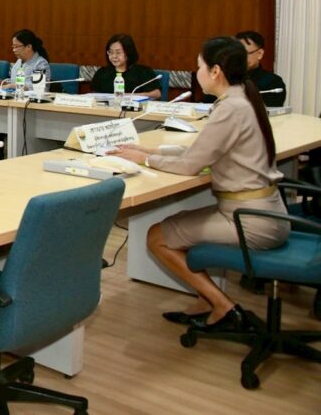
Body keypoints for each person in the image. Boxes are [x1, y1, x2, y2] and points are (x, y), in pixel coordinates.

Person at [109, 37, 288, 331]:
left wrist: (145, 160)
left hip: (250, 219)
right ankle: (208, 301)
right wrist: (148, 150)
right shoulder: (241, 97)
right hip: (264, 210)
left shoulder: (230, 108)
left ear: (215, 71)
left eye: (199, 66)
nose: (197, 73)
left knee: (157, 237)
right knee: (177, 223)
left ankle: (223, 306)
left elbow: (190, 165)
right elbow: (202, 151)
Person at [90, 33, 162, 100]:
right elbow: (94, 94)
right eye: (111, 52)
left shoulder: (143, 72)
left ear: (128, 52)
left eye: (118, 52)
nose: (114, 56)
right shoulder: (102, 72)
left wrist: (129, 96)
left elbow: (157, 94)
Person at [236, 30, 286, 107]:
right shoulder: (226, 79)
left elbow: (269, 111)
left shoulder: (273, 82)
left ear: (260, 54)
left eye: (245, 53)